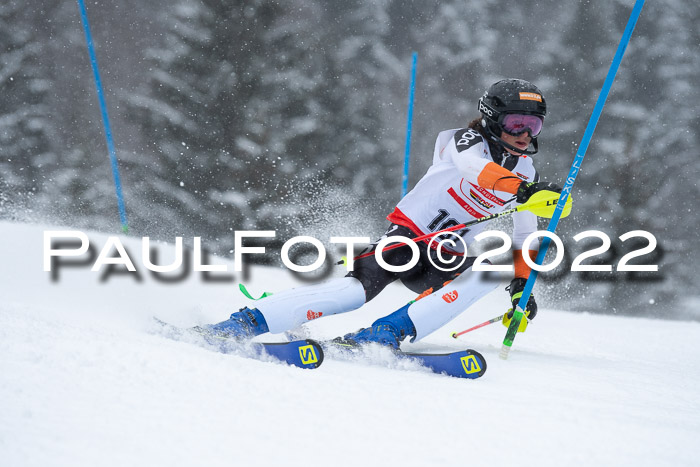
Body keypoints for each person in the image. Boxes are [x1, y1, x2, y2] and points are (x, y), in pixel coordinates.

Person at [205, 78, 561, 348]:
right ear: (493, 119)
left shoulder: (527, 172)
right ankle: (247, 322)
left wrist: (520, 285)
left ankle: (385, 333)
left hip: (448, 256)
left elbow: (523, 236)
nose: (525, 134)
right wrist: (521, 189)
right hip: (411, 237)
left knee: (487, 274)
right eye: (517, 122)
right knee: (353, 293)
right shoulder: (464, 141)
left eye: (534, 125)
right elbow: (471, 168)